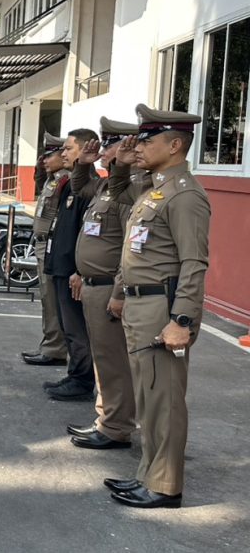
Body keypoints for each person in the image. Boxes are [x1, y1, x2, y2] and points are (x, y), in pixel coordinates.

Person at [105, 104, 209, 509]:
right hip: (140, 305)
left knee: (164, 400)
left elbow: (194, 262)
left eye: (148, 141)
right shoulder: (155, 189)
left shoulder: (185, 195)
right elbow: (118, 193)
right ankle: (148, 474)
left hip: (162, 309)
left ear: (175, 145)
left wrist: (182, 319)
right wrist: (123, 163)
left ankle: (165, 486)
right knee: (148, 398)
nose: (140, 147)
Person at [65, 117, 138, 451]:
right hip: (92, 284)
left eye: (109, 145)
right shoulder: (106, 187)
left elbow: (127, 248)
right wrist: (84, 163)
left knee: (114, 362)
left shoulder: (129, 191)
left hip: (109, 286)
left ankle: (116, 426)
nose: (103, 150)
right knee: (103, 361)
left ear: (127, 148)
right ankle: (106, 420)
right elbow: (79, 188)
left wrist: (119, 292)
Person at [43, 128, 100, 401]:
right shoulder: (69, 183)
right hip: (60, 265)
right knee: (68, 328)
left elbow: (87, 233)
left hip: (72, 270)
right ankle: (74, 373)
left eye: (68, 148)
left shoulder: (90, 186)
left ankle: (81, 381)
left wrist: (79, 270)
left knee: (77, 329)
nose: (62, 153)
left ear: (85, 150)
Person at [21, 135, 70, 366]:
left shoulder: (66, 180)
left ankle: (55, 349)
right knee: (46, 299)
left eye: (49, 156)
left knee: (52, 300)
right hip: (43, 244)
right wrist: (40, 164)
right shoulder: (52, 180)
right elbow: (39, 180)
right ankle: (50, 344)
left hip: (52, 245)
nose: (45, 161)